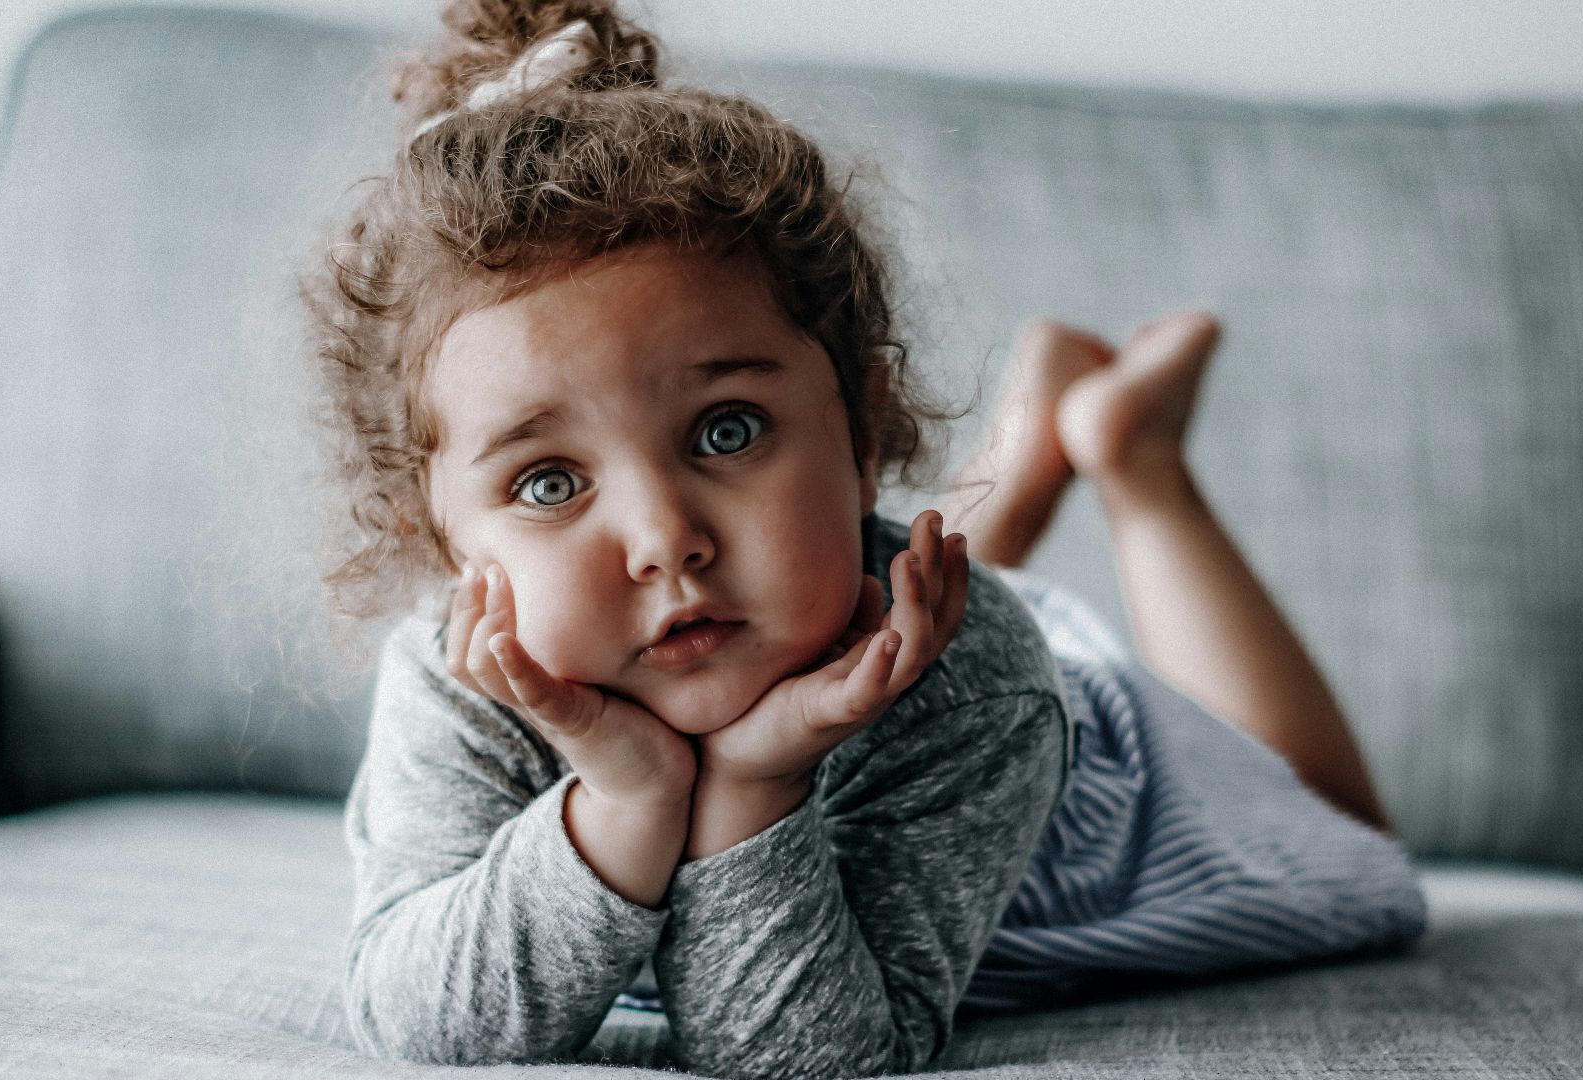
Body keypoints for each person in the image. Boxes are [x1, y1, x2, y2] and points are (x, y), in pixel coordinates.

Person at [308, 2, 1426, 1076]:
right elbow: (418, 1011)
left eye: (727, 428)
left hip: (1097, 790)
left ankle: (1139, 465)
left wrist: (751, 786)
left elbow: (810, 1051)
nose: (664, 540)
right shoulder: (463, 681)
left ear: (863, 426)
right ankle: (1034, 451)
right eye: (549, 481)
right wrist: (622, 802)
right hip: (882, 605)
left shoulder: (978, 690)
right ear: (446, 544)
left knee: (1353, 843)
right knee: (865, 583)